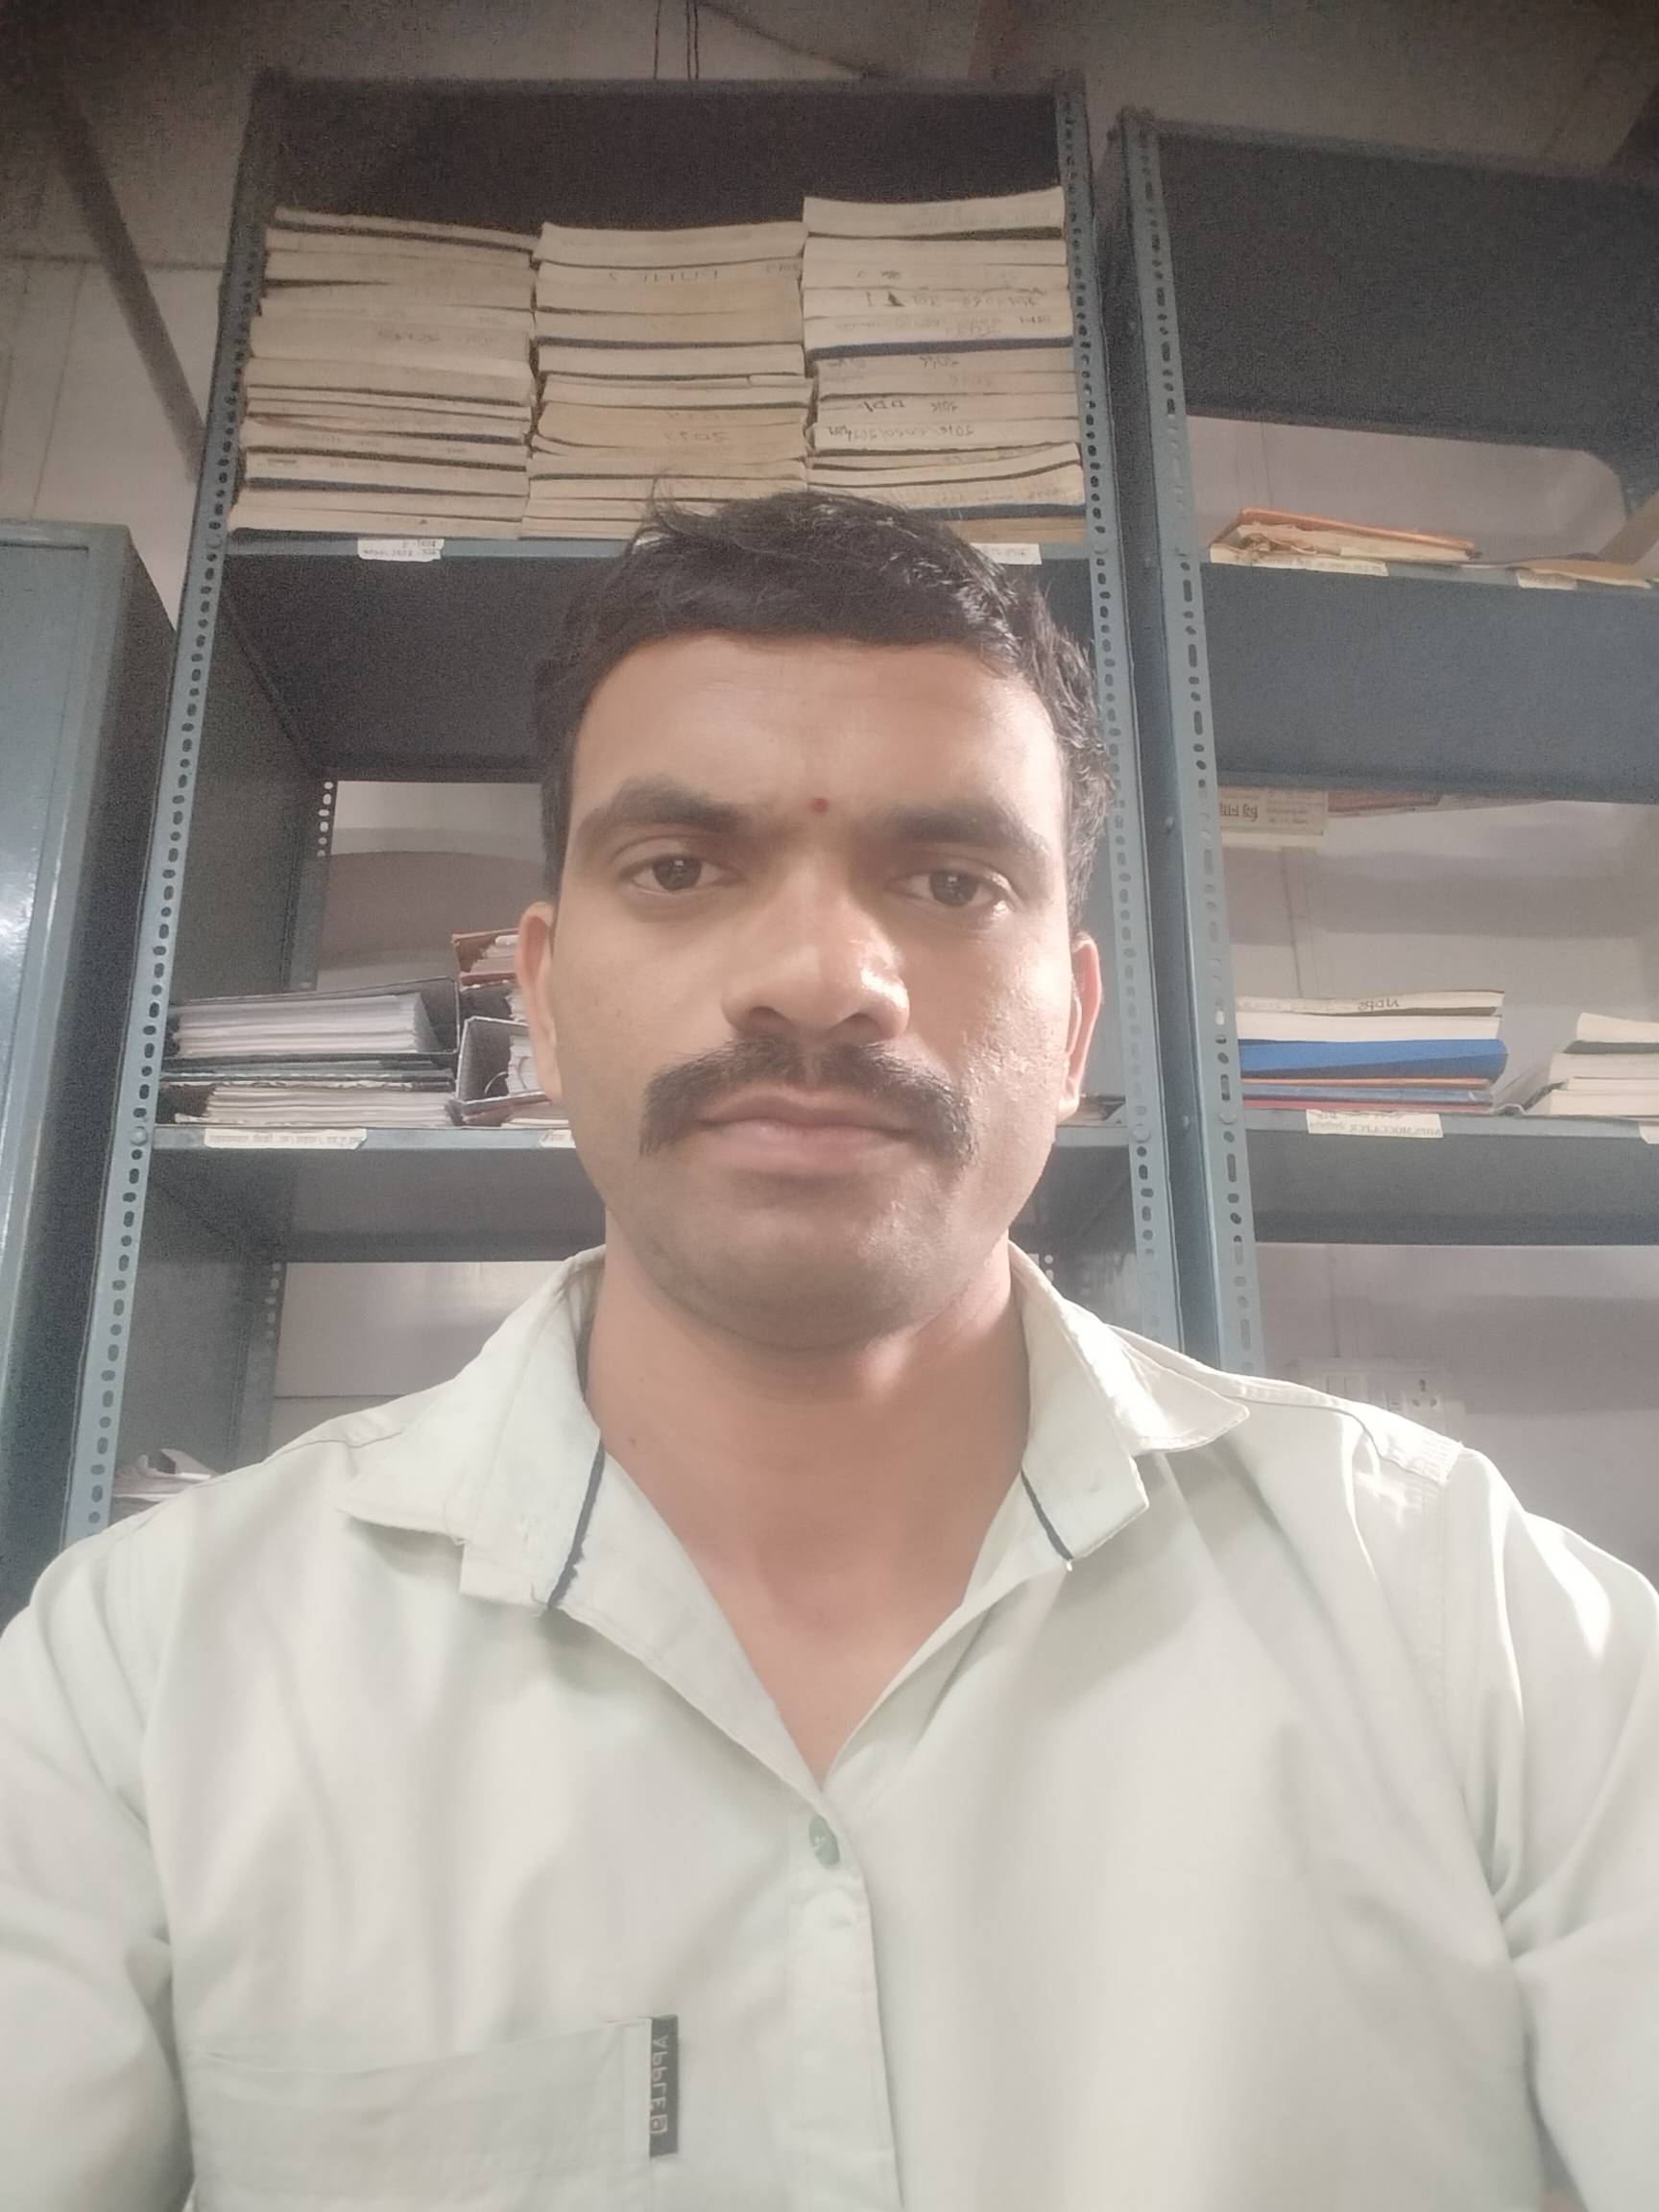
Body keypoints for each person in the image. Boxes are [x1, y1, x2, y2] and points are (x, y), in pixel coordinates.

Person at [0, 493, 1654, 2212]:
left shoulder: (1474, 1625)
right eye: (678, 867)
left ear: (1074, 1027)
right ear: (542, 1003)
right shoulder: (141, 1677)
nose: (819, 976)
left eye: (950, 880)